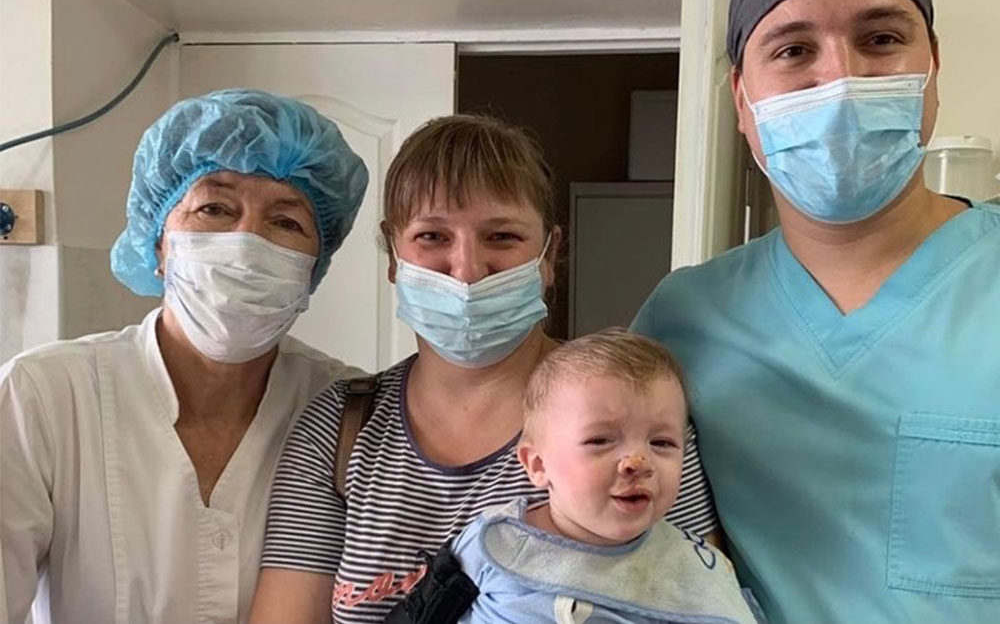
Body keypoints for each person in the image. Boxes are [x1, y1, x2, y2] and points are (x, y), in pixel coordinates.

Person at [632, 0, 1000, 623]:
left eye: (881, 39)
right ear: (742, 100)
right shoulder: (683, 320)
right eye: (795, 49)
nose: (841, 78)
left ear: (934, 68)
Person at [248, 115, 719, 624]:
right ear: (393, 255)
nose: (468, 269)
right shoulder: (338, 430)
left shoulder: (637, 422)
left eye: (501, 236)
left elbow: (697, 598)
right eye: (432, 236)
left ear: (549, 253)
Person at [0, 89, 369, 624]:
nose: (246, 243)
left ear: (313, 269)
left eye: (286, 222)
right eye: (214, 208)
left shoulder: (348, 411)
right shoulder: (43, 396)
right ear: (157, 244)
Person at [434, 329, 760, 624]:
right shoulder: (494, 541)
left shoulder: (692, 574)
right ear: (537, 465)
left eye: (661, 443)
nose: (638, 461)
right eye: (600, 441)